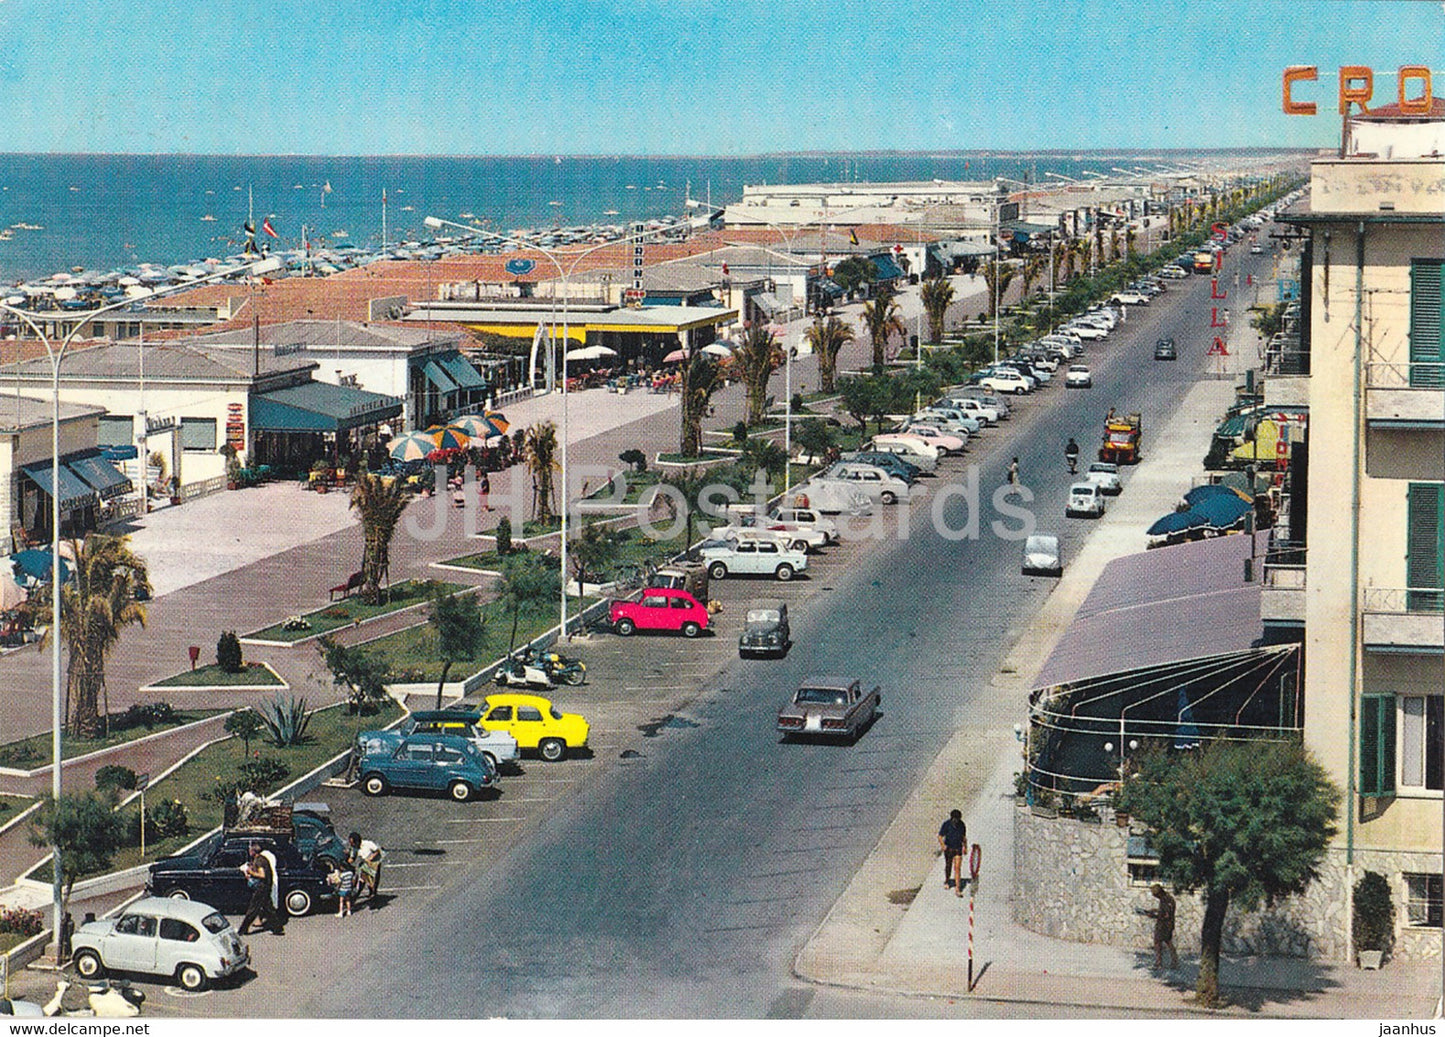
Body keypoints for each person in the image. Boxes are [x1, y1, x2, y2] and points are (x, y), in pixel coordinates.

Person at [238, 842, 284, 936]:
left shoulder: (259, 861)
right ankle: (277, 929)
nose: (249, 851)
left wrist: (251, 872)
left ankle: (242, 930)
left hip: (261, 888)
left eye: (250, 850)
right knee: (269, 909)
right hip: (266, 887)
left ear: (253, 851)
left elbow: (262, 875)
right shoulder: (262, 859)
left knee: (253, 909)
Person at [1146, 883, 1180, 969]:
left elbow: (1166, 915)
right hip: (1166, 924)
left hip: (1165, 925)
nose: (1156, 897)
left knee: (1160, 943)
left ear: (1159, 893)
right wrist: (1155, 910)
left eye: (1156, 895)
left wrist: (1154, 916)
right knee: (1167, 942)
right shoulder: (1166, 898)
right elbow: (1164, 911)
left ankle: (1160, 963)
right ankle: (1173, 962)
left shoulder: (1166, 900)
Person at [937, 809, 968, 896]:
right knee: (948, 866)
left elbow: (963, 837)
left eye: (958, 819)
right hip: (949, 848)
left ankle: (957, 889)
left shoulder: (962, 825)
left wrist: (965, 847)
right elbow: (940, 836)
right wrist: (943, 845)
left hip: (958, 848)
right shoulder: (946, 824)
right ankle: (947, 880)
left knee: (957, 868)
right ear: (952, 818)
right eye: (955, 819)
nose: (956, 821)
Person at [348, 831, 383, 904]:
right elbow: (353, 858)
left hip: (373, 864)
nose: (351, 845)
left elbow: (377, 851)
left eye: (352, 843)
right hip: (364, 866)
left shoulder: (368, 844)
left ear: (357, 842)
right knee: (362, 881)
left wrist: (371, 857)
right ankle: (356, 897)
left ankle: (373, 896)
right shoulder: (354, 848)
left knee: (372, 883)